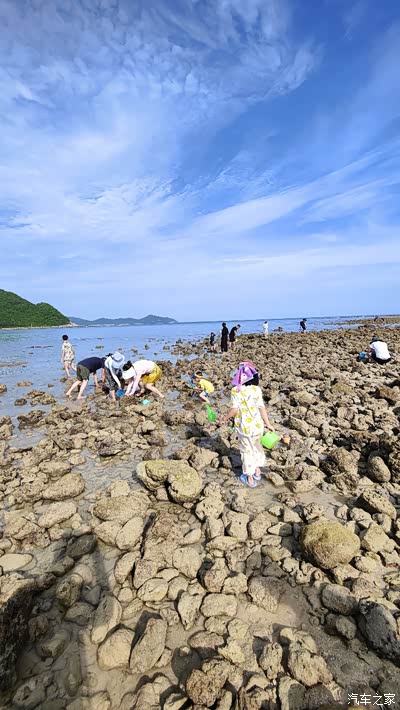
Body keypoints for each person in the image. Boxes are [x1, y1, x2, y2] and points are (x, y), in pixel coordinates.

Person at [220, 363, 289, 488]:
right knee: (257, 447)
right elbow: (261, 408)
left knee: (246, 451)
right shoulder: (256, 390)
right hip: (257, 426)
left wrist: (224, 418)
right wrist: (268, 424)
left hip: (244, 428)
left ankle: (249, 477)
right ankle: (257, 471)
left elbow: (234, 410)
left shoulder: (236, 390)